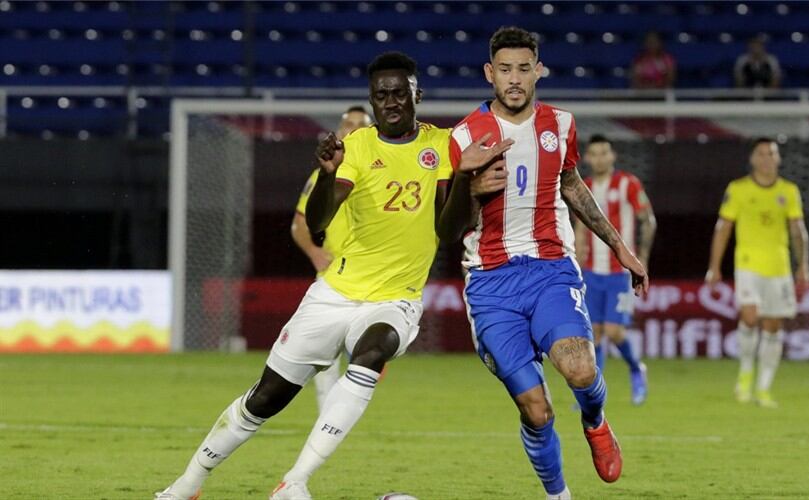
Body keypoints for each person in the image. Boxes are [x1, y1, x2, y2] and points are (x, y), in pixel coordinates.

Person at [155, 52, 497, 500]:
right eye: (381, 95)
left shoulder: (447, 146)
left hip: (395, 299)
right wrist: (326, 174)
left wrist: (466, 178)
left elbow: (449, 231)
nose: (390, 101)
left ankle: (293, 482)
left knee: (373, 352)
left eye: (398, 92)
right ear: (371, 100)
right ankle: (188, 483)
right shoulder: (355, 148)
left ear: (416, 93)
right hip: (335, 293)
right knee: (266, 397)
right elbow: (318, 220)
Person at [438, 27, 649, 500]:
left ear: (539, 71)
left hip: (551, 267)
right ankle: (559, 495)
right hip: (490, 282)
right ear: (490, 73)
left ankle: (595, 420)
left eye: (524, 69)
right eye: (505, 70)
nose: (515, 79)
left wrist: (619, 248)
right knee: (537, 410)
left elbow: (571, 186)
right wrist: (467, 184)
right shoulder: (464, 136)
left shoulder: (562, 125)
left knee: (579, 369)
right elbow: (448, 231)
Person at [705, 137, 809, 408]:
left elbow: (798, 231)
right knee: (750, 316)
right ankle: (745, 374)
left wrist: (803, 266)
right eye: (761, 153)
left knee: (773, 326)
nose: (767, 158)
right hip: (748, 263)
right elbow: (723, 228)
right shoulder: (738, 189)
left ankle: (763, 388)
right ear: (752, 159)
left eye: (771, 153)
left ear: (778, 158)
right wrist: (714, 267)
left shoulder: (789, 191)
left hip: (779, 267)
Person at [290, 105, 371, 410]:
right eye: (346, 124)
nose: (350, 130)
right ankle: (328, 417)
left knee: (369, 352)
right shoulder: (322, 175)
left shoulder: (381, 169)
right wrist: (313, 251)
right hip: (333, 276)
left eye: (358, 125)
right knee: (324, 355)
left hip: (373, 276)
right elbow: (299, 224)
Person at [573, 135, 656, 406]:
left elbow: (647, 220)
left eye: (604, 153)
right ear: (587, 158)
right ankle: (592, 393)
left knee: (614, 331)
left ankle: (636, 368)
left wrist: (640, 256)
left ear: (612, 156)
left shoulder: (628, 184)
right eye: (594, 153)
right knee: (593, 334)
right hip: (591, 272)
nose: (599, 158)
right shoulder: (582, 186)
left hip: (620, 272)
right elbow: (580, 228)